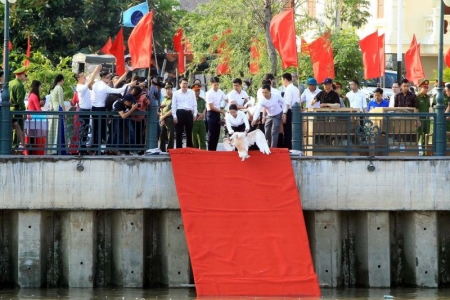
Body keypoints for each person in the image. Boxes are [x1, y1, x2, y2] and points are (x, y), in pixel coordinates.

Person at [91, 71, 133, 151]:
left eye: (109, 77)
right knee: (100, 129)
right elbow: (118, 90)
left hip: (94, 108)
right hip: (100, 109)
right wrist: (128, 85)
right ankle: (97, 148)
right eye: (108, 77)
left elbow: (115, 85)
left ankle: (95, 148)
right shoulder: (104, 87)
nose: (109, 79)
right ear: (103, 78)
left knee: (96, 128)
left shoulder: (97, 84)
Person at [75, 65, 101, 154]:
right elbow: (90, 82)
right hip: (83, 111)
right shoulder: (80, 87)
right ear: (78, 78)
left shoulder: (84, 86)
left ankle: (83, 149)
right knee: (83, 130)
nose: (84, 77)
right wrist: (96, 71)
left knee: (86, 130)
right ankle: (81, 149)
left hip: (87, 111)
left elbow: (90, 80)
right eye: (82, 76)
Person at [172, 77, 197, 148]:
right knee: (178, 132)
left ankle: (189, 148)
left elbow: (194, 104)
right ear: (180, 84)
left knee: (189, 132)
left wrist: (195, 114)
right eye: (183, 84)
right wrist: (174, 116)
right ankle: (179, 149)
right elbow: (173, 106)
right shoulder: (176, 93)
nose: (185, 85)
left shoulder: (191, 92)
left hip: (189, 113)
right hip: (180, 113)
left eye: (186, 84)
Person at [47, 74, 67, 155]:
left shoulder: (53, 88)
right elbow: (61, 102)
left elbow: (51, 102)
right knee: (60, 129)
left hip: (53, 110)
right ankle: (61, 149)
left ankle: (52, 149)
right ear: (61, 80)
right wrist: (65, 112)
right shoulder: (59, 88)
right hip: (59, 109)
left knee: (54, 130)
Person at [205, 76, 226, 151]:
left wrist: (225, 107)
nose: (216, 86)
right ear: (211, 84)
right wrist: (222, 111)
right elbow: (211, 107)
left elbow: (226, 99)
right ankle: (210, 150)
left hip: (218, 113)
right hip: (211, 113)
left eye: (217, 84)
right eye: (215, 85)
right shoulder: (209, 93)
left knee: (217, 133)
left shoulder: (220, 91)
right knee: (211, 133)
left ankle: (215, 149)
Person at [9, 66, 27, 148]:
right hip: (17, 110)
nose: (25, 76)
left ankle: (12, 147)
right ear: (19, 75)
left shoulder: (10, 83)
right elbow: (20, 101)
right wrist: (24, 112)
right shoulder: (19, 85)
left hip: (10, 109)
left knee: (13, 129)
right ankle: (15, 147)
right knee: (18, 129)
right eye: (24, 75)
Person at [129, 85, 150, 152]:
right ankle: (134, 149)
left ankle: (141, 149)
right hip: (133, 118)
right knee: (133, 134)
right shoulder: (132, 95)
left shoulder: (143, 96)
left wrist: (131, 105)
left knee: (140, 134)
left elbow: (139, 107)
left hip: (140, 118)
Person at [281, 73, 299, 149]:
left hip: (289, 111)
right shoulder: (296, 89)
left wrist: (284, 113)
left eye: (282, 80)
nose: (282, 82)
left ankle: (288, 148)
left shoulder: (288, 89)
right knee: (293, 130)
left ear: (285, 79)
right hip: (296, 111)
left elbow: (288, 102)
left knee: (288, 131)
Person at [416, 80, 432, 155]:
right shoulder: (417, 97)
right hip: (420, 118)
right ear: (420, 88)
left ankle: (424, 151)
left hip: (426, 118)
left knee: (426, 135)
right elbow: (416, 108)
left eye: (427, 87)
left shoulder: (427, 97)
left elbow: (429, 107)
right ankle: (415, 150)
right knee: (418, 134)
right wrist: (417, 119)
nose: (426, 89)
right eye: (424, 87)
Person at [159, 82, 175, 152]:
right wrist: (162, 117)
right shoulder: (164, 98)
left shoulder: (174, 98)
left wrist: (163, 117)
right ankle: (162, 149)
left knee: (170, 134)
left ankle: (170, 149)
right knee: (162, 134)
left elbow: (173, 110)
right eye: (166, 89)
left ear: (171, 89)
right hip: (163, 118)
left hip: (170, 118)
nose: (167, 90)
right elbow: (161, 108)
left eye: (169, 89)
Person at [192, 84, 207, 149]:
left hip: (201, 121)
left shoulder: (202, 100)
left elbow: (204, 108)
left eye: (198, 90)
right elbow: (191, 109)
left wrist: (202, 114)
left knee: (202, 137)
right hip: (194, 121)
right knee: (194, 138)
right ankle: (195, 152)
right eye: (195, 91)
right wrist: (199, 114)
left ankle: (203, 152)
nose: (197, 92)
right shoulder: (190, 100)